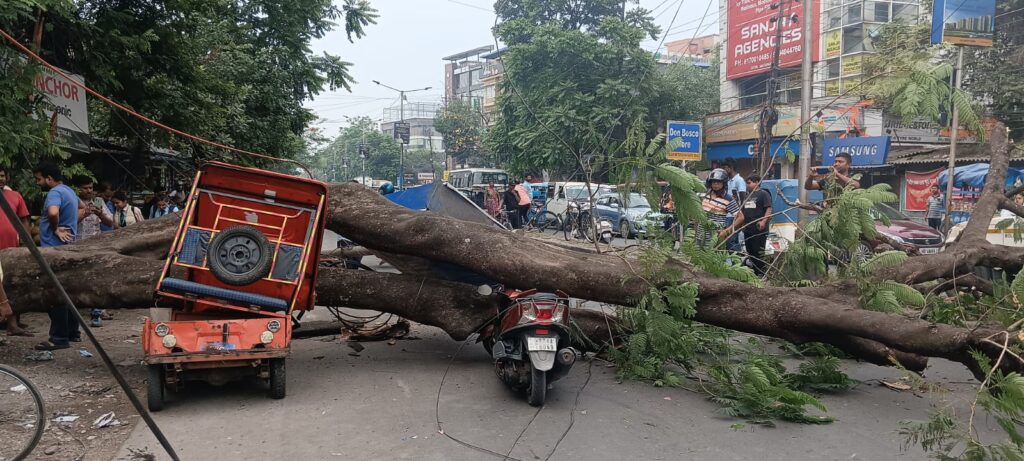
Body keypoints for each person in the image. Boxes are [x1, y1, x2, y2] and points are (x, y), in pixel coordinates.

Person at [33, 162, 81, 350]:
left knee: (54, 294)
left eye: (39, 179)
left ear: (49, 178)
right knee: (67, 291)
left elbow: (53, 212)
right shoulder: (69, 190)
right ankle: (73, 332)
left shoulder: (54, 193)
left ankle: (59, 338)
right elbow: (83, 207)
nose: (38, 183)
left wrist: (56, 228)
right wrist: (70, 226)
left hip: (53, 249)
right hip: (67, 248)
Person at [0, 167, 32, 336]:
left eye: (2, 175)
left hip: (11, 247)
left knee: (12, 284)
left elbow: (24, 219)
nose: (1, 179)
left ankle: (13, 323)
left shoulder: (15, 196)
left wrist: (27, 242)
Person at [698, 168, 744, 249]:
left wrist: (727, 231)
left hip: (716, 237)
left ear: (724, 183)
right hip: (700, 234)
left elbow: (740, 217)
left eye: (718, 182)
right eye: (713, 182)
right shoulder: (703, 195)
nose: (716, 184)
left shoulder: (728, 199)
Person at [741, 175, 773, 276]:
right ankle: (754, 271)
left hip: (759, 229)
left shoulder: (763, 194)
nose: (747, 185)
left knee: (758, 251)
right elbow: (743, 211)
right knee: (750, 250)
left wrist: (763, 221)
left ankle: (761, 272)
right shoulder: (747, 195)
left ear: (757, 182)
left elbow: (768, 209)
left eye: (749, 182)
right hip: (748, 229)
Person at [721, 159, 746, 253]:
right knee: (728, 242)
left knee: (732, 242)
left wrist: (741, 217)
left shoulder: (739, 180)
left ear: (730, 168)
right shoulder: (727, 181)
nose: (723, 171)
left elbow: (743, 199)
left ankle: (737, 264)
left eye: (724, 168)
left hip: (735, 216)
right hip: (727, 215)